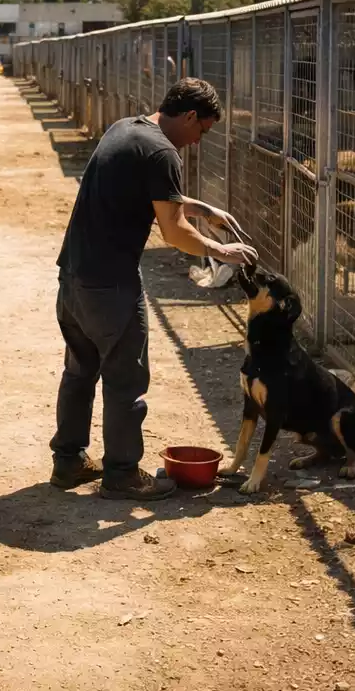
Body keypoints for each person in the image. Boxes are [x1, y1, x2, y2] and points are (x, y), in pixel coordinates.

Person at [50, 77, 256, 501]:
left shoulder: (127, 128)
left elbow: (154, 198)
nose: (198, 141)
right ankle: (122, 473)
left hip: (73, 275)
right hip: (110, 285)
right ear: (190, 116)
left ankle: (68, 462)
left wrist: (204, 209)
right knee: (126, 379)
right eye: (202, 130)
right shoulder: (163, 152)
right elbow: (173, 230)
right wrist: (222, 251)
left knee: (80, 370)